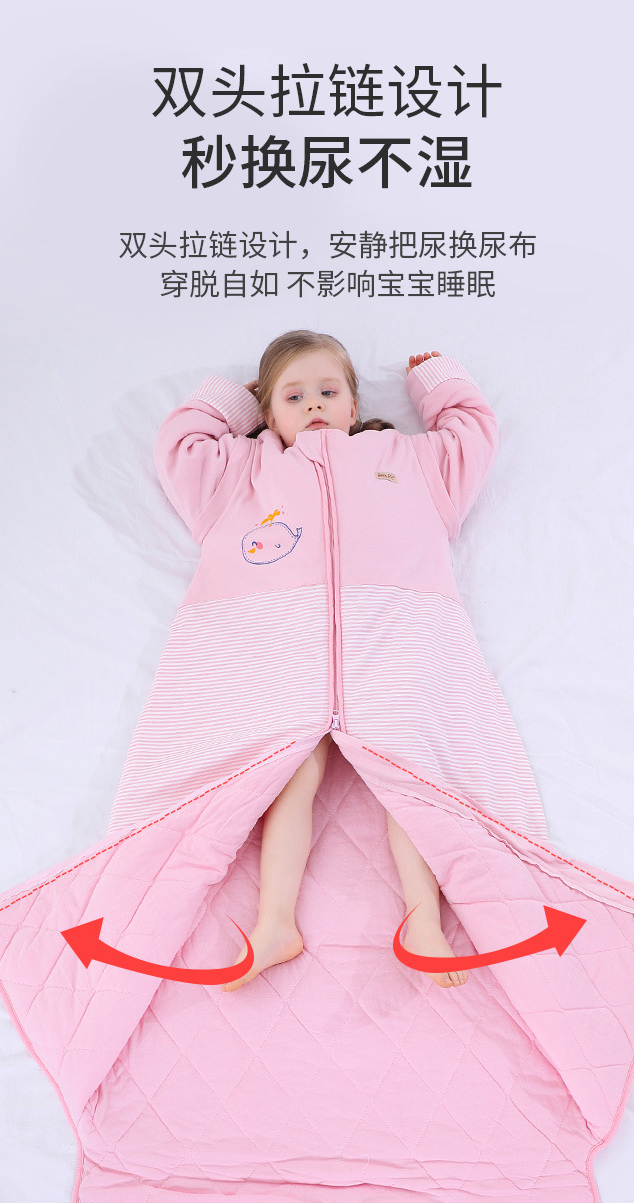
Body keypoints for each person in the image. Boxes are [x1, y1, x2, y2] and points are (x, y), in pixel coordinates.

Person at [220, 330, 470, 993]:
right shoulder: (247, 473)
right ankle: (275, 923)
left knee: (406, 776)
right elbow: (181, 449)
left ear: (354, 406)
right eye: (293, 397)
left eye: (328, 391)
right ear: (267, 415)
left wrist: (438, 382)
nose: (313, 405)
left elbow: (470, 438)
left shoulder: (404, 460)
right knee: (291, 775)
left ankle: (424, 921)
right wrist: (229, 404)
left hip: (389, 640)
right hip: (291, 648)